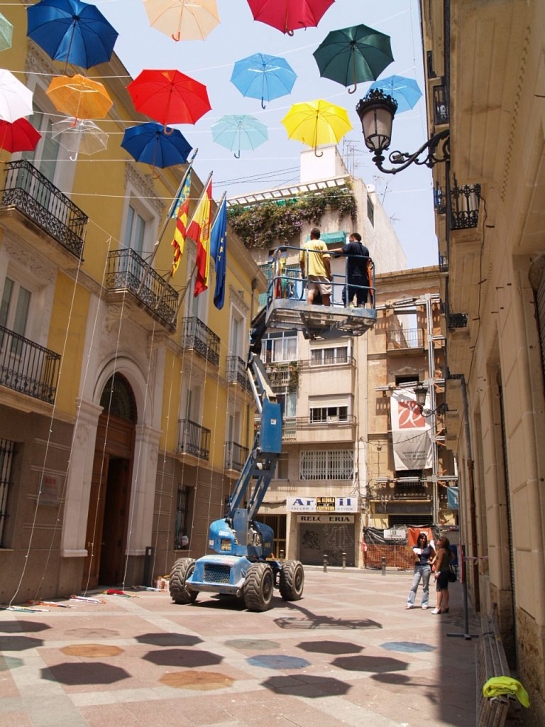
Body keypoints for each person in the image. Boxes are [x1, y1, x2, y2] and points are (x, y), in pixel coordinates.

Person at [299, 227, 332, 305]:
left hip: (310, 273)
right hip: (321, 272)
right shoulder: (322, 243)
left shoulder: (305, 245)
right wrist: (329, 272)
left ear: (311, 235)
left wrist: (303, 271)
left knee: (311, 291)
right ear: (319, 236)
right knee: (325, 294)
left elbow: (301, 261)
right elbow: (326, 258)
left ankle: (308, 309)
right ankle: (328, 314)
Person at [406, 532, 435, 610]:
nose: (423, 540)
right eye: (422, 538)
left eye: (424, 539)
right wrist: (413, 555)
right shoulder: (415, 547)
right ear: (419, 539)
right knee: (414, 585)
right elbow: (411, 557)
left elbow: (434, 555)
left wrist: (432, 562)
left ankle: (424, 603)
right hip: (418, 566)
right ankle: (409, 603)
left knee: (425, 586)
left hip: (426, 566)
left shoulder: (429, 547)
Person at [341, 232, 370, 307]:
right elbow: (367, 263)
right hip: (363, 278)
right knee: (361, 299)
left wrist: (327, 251)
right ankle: (361, 313)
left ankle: (351, 310)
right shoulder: (365, 249)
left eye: (350, 239)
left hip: (353, 276)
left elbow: (342, 250)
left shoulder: (352, 244)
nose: (349, 241)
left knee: (347, 296)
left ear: (353, 238)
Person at [430, 535, 454, 614]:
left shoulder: (441, 551)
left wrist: (436, 571)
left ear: (442, 542)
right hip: (446, 571)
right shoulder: (447, 551)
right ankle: (446, 606)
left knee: (439, 589)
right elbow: (453, 557)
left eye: (439, 540)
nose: (437, 541)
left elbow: (439, 562)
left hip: (441, 572)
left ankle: (438, 607)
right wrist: (446, 561)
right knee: (445, 589)